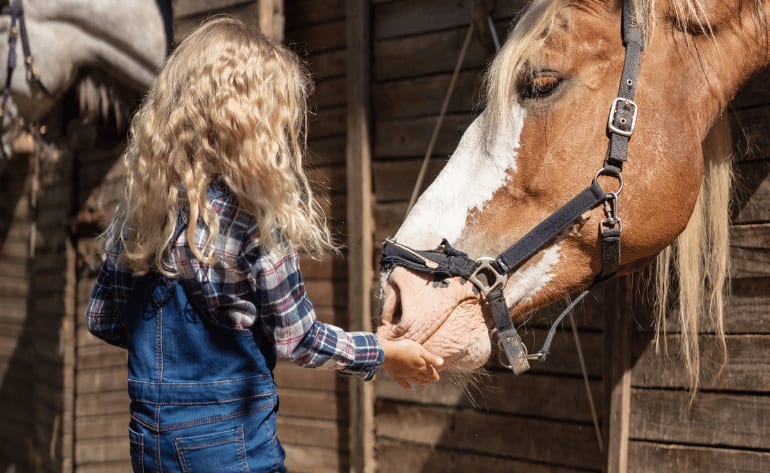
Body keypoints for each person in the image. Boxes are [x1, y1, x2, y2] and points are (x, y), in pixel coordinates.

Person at [85, 17, 443, 473]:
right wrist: (383, 351)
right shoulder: (252, 220)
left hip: (149, 442)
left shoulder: (140, 209)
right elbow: (299, 339)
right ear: (248, 122)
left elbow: (103, 318)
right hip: (229, 445)